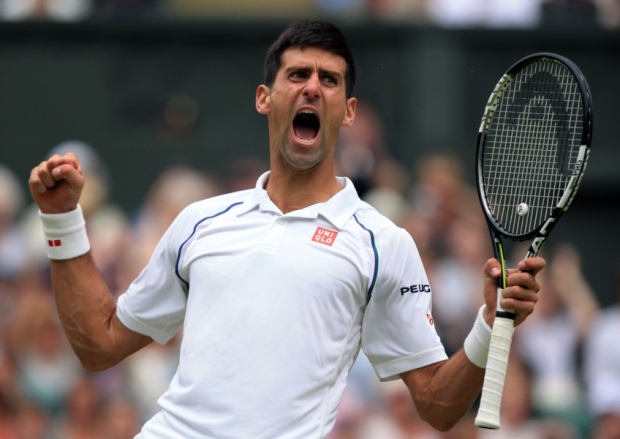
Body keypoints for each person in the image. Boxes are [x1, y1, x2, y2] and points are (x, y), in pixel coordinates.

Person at [27, 19, 545, 438]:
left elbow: (435, 405)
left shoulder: (383, 243)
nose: (313, 88)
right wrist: (62, 219)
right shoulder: (200, 222)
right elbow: (99, 344)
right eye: (297, 75)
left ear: (348, 111)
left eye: (330, 80)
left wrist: (488, 322)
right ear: (264, 98)